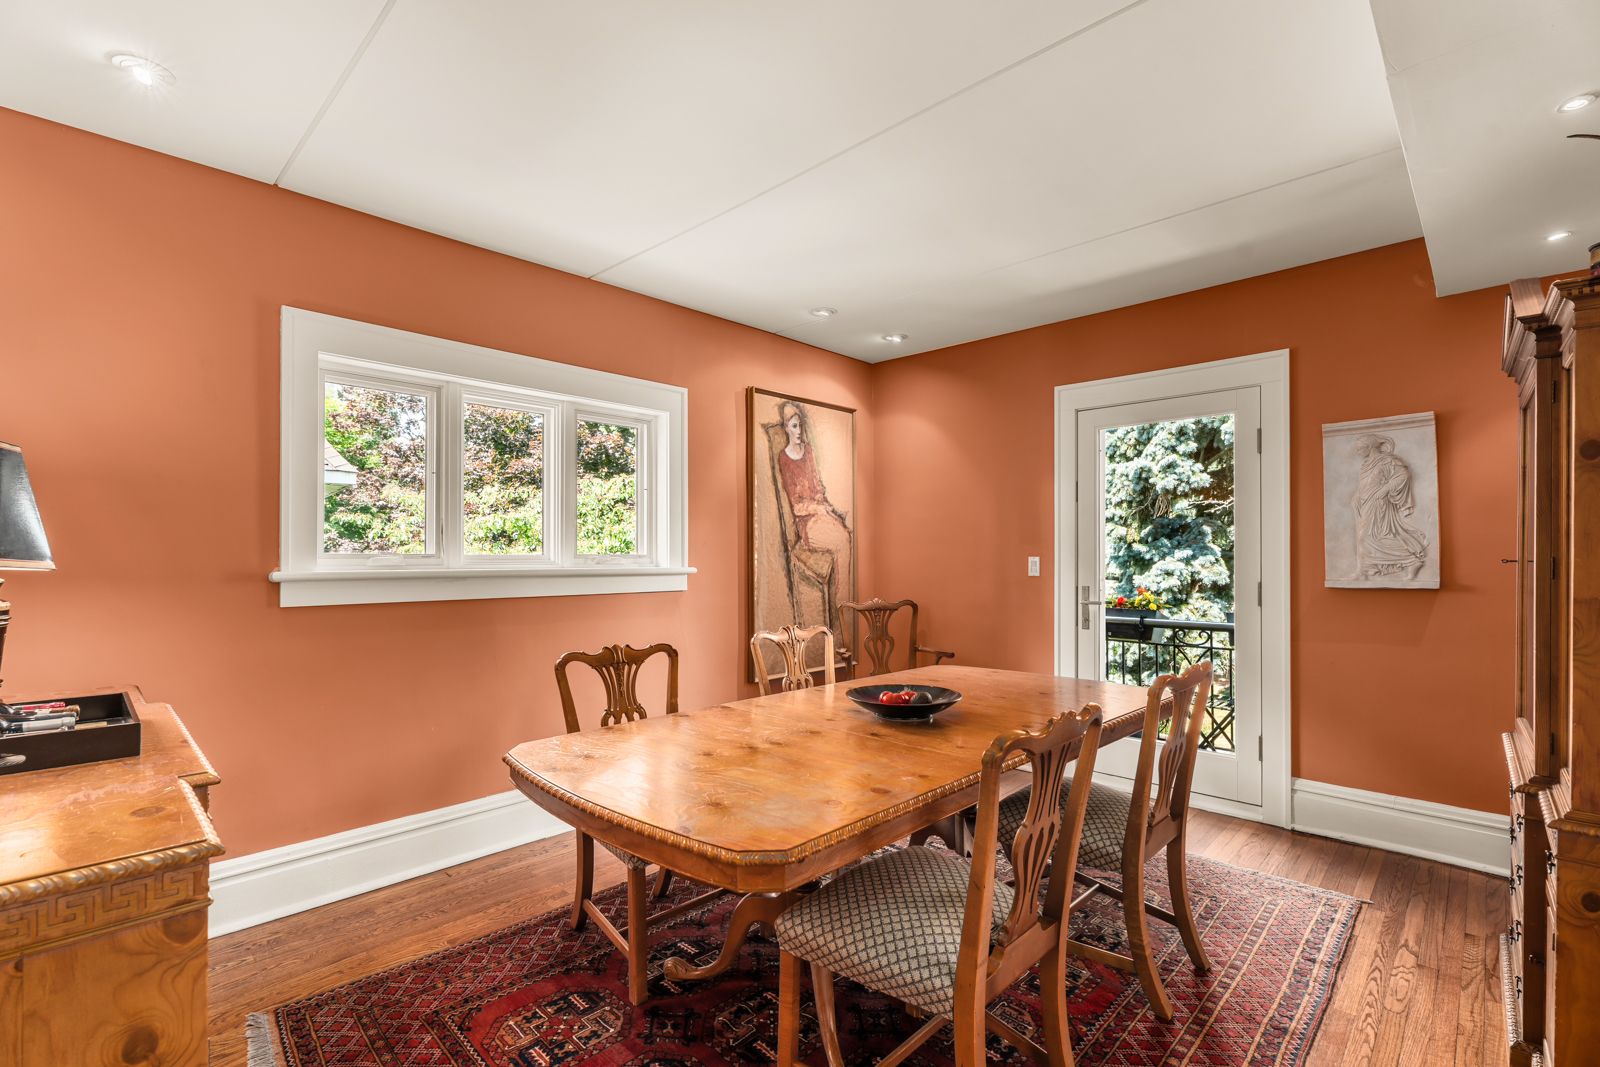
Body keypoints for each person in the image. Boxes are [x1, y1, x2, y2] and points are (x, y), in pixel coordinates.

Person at [774, 401, 852, 630]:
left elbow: (817, 487)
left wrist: (827, 507)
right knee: (843, 542)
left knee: (846, 534)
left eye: (800, 425)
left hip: (821, 514)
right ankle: (843, 613)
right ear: (786, 427)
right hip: (807, 524)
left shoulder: (808, 451)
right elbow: (797, 507)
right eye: (794, 426)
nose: (799, 431)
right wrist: (818, 509)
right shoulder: (784, 459)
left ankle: (843, 610)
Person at [1352, 433, 1428, 580]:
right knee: (1367, 537)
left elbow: (1403, 475)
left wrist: (1384, 490)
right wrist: (1357, 496)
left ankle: (1412, 561)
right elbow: (1366, 484)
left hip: (1379, 503)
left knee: (1368, 537)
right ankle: (1366, 570)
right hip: (1366, 503)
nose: (1357, 452)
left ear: (1369, 447)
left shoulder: (1386, 460)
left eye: (1360, 448)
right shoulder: (1366, 464)